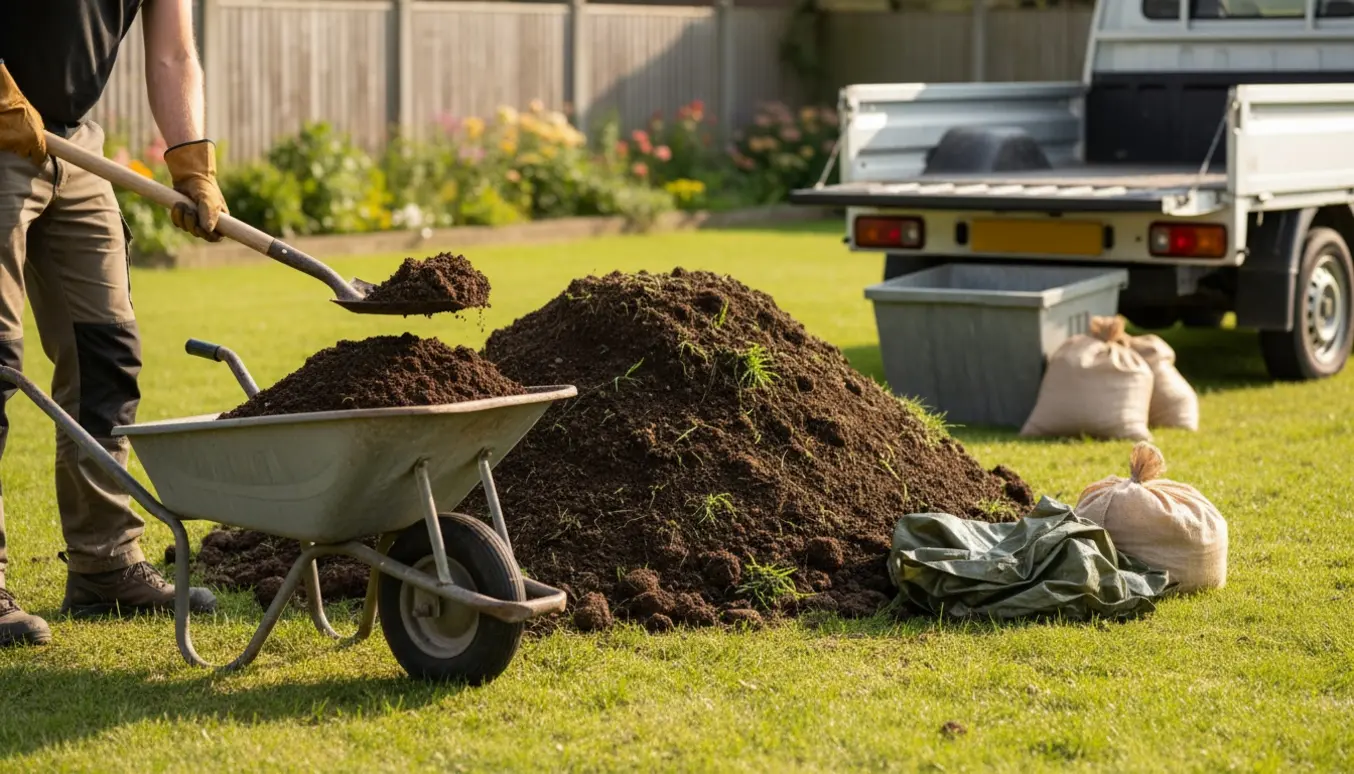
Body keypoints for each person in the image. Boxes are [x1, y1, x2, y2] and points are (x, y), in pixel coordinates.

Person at [0, 0, 227, 647]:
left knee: (107, 353)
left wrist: (191, 161)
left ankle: (104, 565)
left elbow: (173, 52)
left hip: (72, 143)